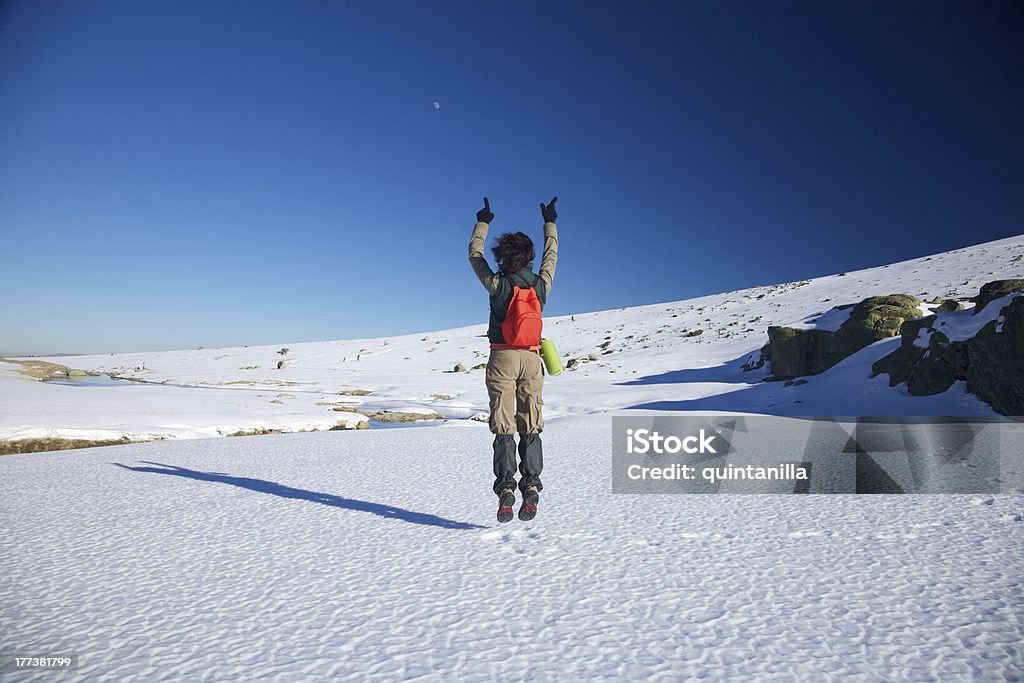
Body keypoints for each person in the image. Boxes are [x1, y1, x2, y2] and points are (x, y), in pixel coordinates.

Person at [468, 196, 559, 522]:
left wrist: (483, 221)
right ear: (529, 257)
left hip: (502, 357)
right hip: (532, 360)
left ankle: (507, 488)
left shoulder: (497, 284)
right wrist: (550, 223)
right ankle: (531, 484)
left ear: (504, 257)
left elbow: (474, 255)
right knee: (530, 424)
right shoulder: (540, 285)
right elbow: (552, 257)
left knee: (504, 426)